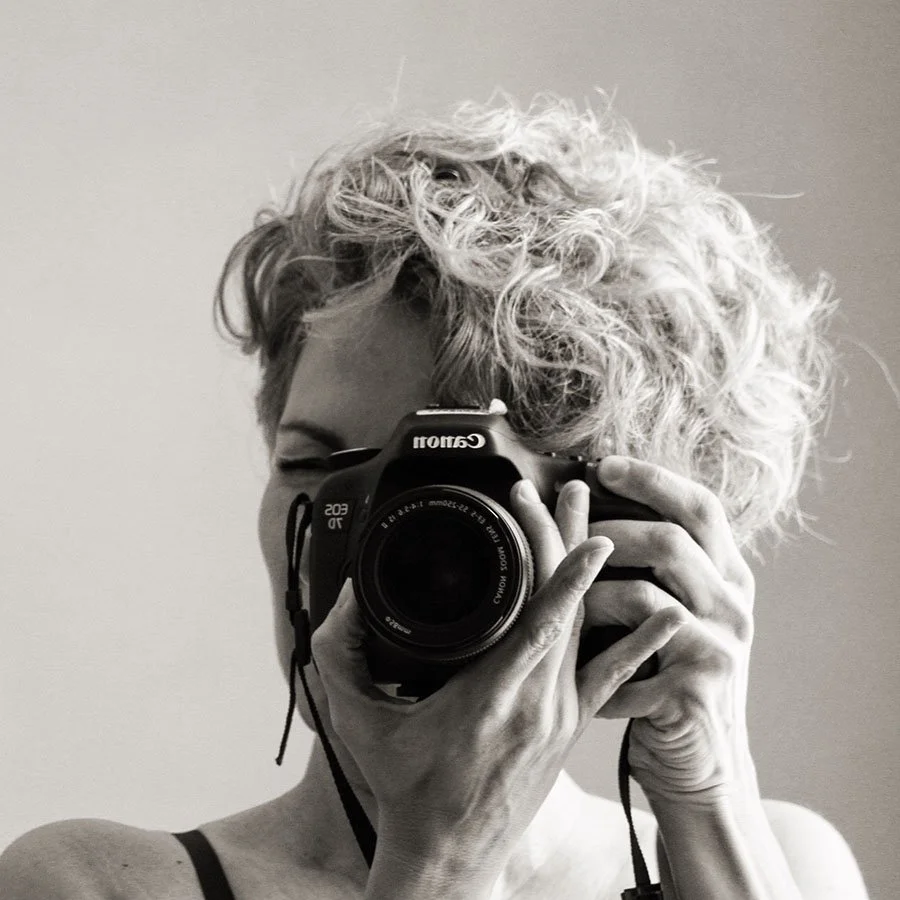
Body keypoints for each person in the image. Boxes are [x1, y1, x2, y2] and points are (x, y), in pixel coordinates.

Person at [0, 94, 869, 899]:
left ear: (625, 530)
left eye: (455, 500)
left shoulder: (784, 865)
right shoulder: (95, 885)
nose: (388, 543)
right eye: (319, 469)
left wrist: (709, 789)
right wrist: (441, 860)